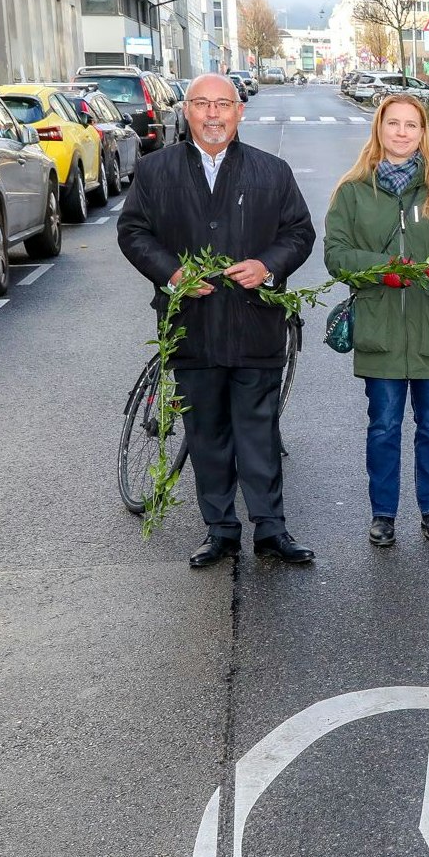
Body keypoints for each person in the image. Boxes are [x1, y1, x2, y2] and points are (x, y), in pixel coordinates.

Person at [118, 73, 318, 567]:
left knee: (258, 432)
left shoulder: (272, 172)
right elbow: (133, 231)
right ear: (186, 111)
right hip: (193, 326)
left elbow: (299, 231)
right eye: (202, 104)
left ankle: (271, 529)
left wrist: (268, 265)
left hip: (255, 326)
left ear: (239, 111)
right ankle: (220, 529)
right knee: (206, 432)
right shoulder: (156, 171)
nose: (212, 114)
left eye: (222, 104)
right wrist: (172, 273)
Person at [323, 94, 429, 548]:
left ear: (423, 134)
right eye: (394, 123)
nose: (403, 132)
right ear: (379, 129)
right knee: (384, 425)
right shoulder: (353, 192)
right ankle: (383, 514)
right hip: (381, 331)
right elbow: (335, 255)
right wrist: (380, 269)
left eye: (412, 125)